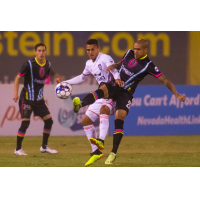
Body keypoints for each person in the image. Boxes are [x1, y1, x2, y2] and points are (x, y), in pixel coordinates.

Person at [72, 39, 186, 164]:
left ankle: (113, 153)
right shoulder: (129, 53)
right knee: (103, 88)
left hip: (126, 93)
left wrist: (177, 95)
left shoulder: (148, 65)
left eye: (138, 49)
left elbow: (165, 80)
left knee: (119, 118)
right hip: (116, 85)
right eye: (134, 48)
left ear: (145, 50)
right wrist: (113, 66)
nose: (135, 51)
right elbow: (120, 64)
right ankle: (81, 105)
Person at [56, 39, 123, 166]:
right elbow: (82, 78)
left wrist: (118, 78)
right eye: (88, 50)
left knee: (104, 110)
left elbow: (114, 70)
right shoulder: (88, 64)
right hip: (101, 95)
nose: (90, 52)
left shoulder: (105, 58)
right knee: (85, 121)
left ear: (98, 48)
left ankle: (101, 140)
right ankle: (96, 151)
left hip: (113, 94)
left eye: (93, 49)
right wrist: (65, 83)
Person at [13, 43, 57, 155]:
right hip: (26, 98)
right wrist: (15, 93)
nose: (41, 53)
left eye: (43, 51)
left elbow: (46, 76)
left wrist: (56, 79)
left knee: (49, 121)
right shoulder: (28, 64)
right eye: (39, 51)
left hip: (39, 100)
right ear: (35, 52)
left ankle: (44, 147)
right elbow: (18, 78)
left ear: (46, 52)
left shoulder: (48, 64)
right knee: (25, 123)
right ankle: (18, 149)